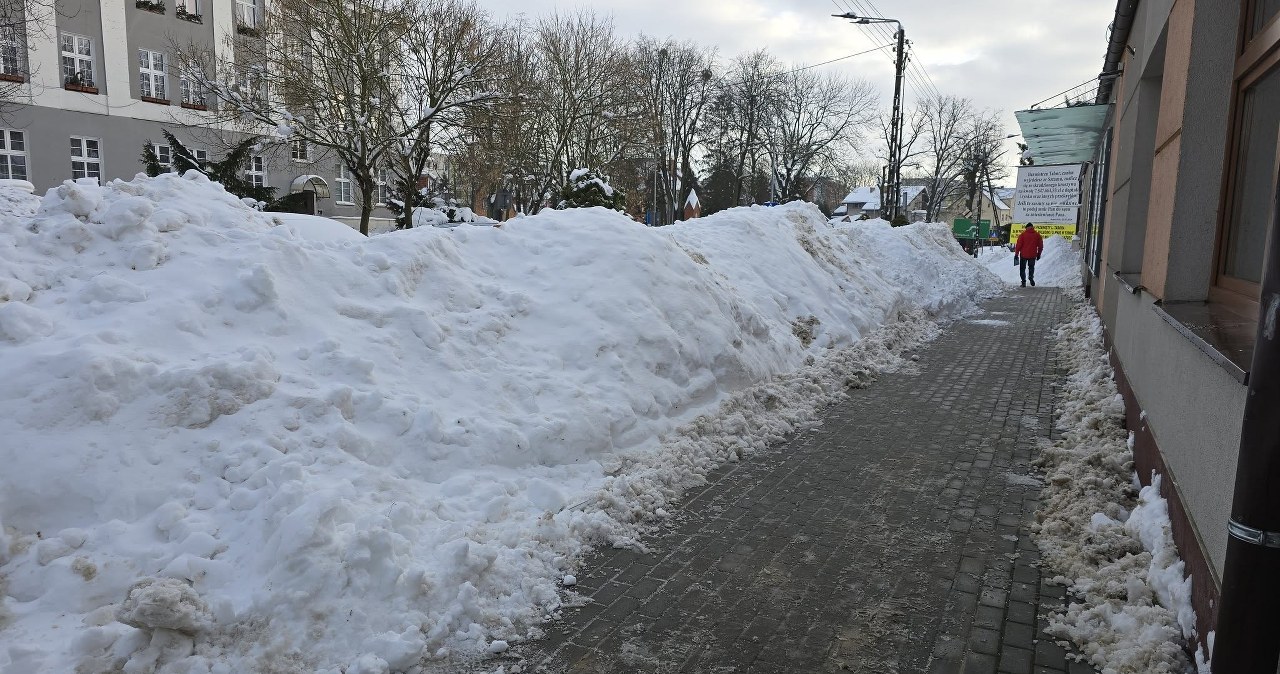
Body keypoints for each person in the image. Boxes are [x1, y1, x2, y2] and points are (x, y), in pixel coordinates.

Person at [1013, 223, 1044, 287]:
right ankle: (1031, 277)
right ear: (1032, 227)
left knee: (1022, 269)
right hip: (1033, 255)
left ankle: (1023, 282)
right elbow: (1040, 246)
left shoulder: (1023, 235)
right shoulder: (1037, 235)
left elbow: (1019, 245)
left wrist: (1016, 254)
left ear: (1027, 227)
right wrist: (1039, 254)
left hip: (1023, 255)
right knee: (1031, 267)